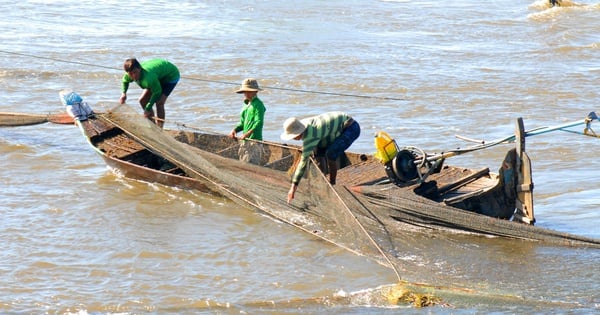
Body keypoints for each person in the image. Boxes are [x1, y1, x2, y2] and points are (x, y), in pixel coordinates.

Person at [280, 111, 360, 203]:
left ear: (299, 133)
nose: (293, 139)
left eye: (293, 137)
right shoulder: (304, 124)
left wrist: (293, 188)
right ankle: (323, 180)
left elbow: (303, 162)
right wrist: (308, 147)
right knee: (318, 150)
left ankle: (332, 184)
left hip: (351, 128)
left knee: (331, 153)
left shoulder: (312, 135)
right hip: (332, 131)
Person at [119, 58, 180, 128]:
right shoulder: (129, 74)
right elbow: (125, 81)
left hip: (170, 75)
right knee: (142, 100)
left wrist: (148, 108)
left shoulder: (149, 78)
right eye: (131, 73)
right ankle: (152, 126)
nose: (134, 76)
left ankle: (160, 128)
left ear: (140, 69)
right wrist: (123, 93)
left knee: (159, 103)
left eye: (135, 72)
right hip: (157, 74)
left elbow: (157, 92)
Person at [228, 78, 266, 164]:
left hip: (254, 141)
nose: (246, 94)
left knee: (252, 166)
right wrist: (235, 130)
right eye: (245, 92)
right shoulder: (246, 105)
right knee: (243, 163)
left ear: (255, 92)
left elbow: (258, 122)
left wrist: (247, 134)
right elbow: (242, 123)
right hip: (244, 141)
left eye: (249, 91)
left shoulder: (258, 104)